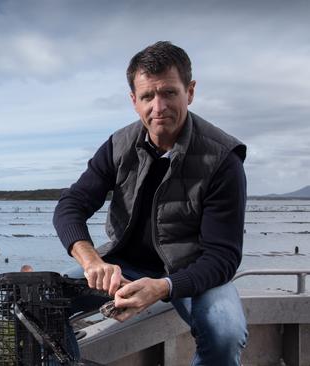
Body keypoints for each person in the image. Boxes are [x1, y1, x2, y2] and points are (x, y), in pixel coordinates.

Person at [53, 41, 248, 365]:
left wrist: (163, 287)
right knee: (41, 304)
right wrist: (91, 262)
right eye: (147, 96)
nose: (158, 107)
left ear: (190, 91)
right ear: (134, 100)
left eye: (169, 93)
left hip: (193, 269)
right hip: (124, 265)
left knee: (225, 332)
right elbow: (70, 205)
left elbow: (223, 257)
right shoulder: (118, 145)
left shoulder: (223, 159)